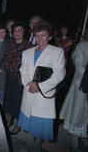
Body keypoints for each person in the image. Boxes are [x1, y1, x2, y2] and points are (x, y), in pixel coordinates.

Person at [18, 21, 66, 151]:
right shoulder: (26, 53)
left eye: (43, 35)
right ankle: (30, 145)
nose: (40, 39)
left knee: (39, 127)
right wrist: (29, 83)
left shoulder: (57, 52)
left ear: (49, 36)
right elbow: (23, 70)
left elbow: (59, 75)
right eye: (37, 35)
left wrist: (39, 87)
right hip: (28, 93)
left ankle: (35, 147)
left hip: (43, 96)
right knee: (30, 125)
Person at [1, 21, 33, 134]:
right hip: (9, 78)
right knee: (8, 101)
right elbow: (4, 60)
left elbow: (25, 65)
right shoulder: (10, 43)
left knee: (19, 104)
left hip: (20, 80)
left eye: (19, 31)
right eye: (15, 31)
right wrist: (10, 66)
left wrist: (11, 66)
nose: (17, 33)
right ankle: (8, 121)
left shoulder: (29, 46)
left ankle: (18, 125)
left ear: (24, 32)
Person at [59, 30, 88, 146]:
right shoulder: (82, 46)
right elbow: (78, 63)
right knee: (77, 113)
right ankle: (75, 141)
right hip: (81, 85)